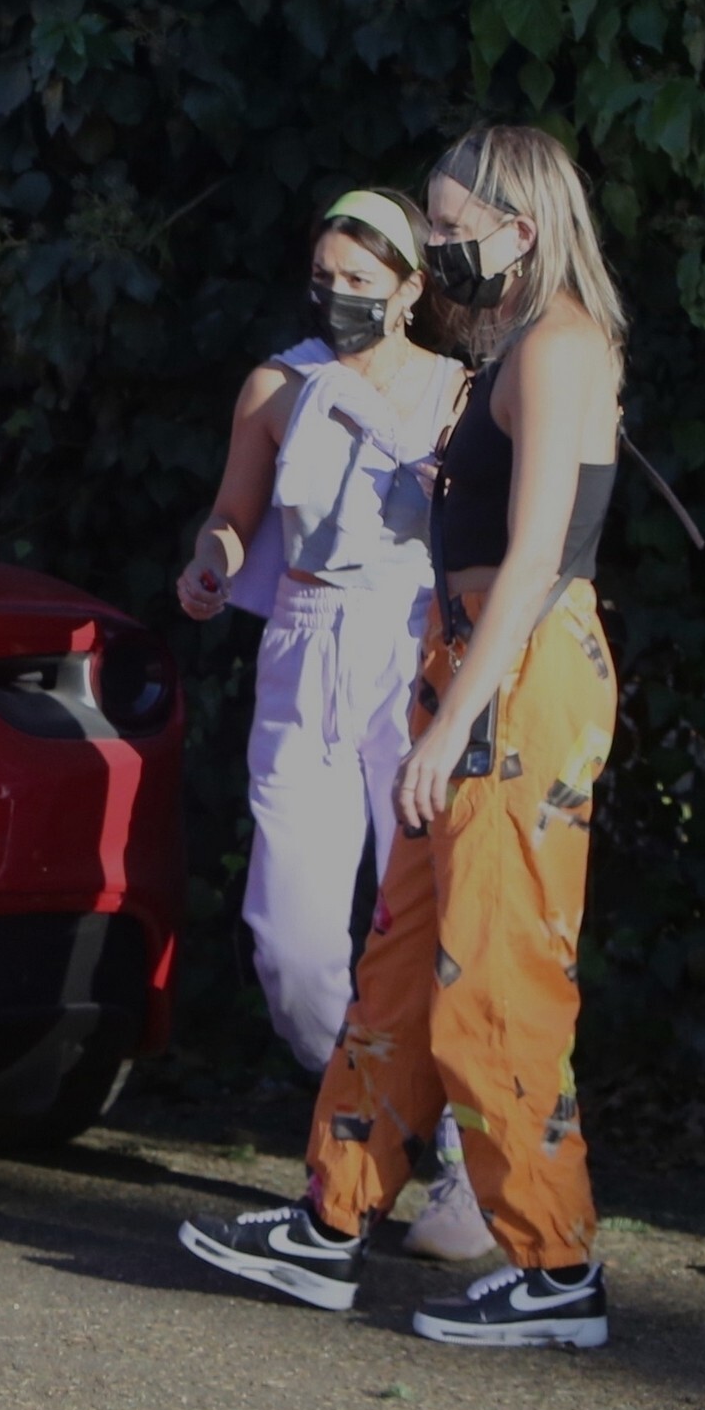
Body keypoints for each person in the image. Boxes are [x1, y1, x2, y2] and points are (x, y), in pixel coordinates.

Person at [180, 125, 627, 1348]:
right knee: (400, 961)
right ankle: (331, 1224)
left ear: (519, 229)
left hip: (516, 673)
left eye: (447, 225)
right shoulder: (512, 346)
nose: (434, 245)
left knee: (497, 965)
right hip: (466, 660)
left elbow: (537, 557)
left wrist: (456, 718)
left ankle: (554, 1265)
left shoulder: (562, 343)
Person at [176, 188, 492, 1262]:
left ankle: (456, 1156)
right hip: (304, 643)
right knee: (292, 943)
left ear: (410, 288)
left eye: (361, 280)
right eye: (324, 278)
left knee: (435, 914)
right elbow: (232, 516)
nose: (339, 296)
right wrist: (210, 565)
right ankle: (379, 1112)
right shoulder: (280, 384)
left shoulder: (461, 392)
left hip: (414, 648)